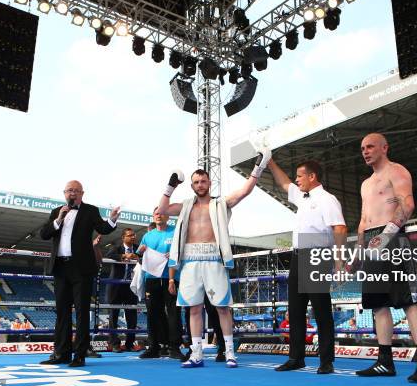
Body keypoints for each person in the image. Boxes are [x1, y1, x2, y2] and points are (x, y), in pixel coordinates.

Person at [157, 146, 271, 368]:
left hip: (213, 259)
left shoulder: (219, 203)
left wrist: (258, 167)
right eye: (196, 182)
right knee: (194, 308)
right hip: (190, 261)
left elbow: (244, 191)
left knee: (222, 307)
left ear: (209, 183)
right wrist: (170, 186)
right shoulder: (185, 206)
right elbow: (161, 209)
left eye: (203, 181)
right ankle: (196, 353)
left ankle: (229, 352)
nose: (200, 185)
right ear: (192, 185)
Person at [352, 133, 417, 383]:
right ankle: (384, 361)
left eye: (371, 146)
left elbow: (407, 205)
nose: (365, 151)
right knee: (378, 304)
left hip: (393, 238)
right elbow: (364, 221)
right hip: (372, 243)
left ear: (385, 148)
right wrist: (358, 251)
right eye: (363, 148)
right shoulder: (366, 184)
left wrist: (386, 236)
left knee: (409, 301)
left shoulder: (396, 171)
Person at [267, 158, 347, 374]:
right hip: (298, 256)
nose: (296, 179)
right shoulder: (302, 197)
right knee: (295, 310)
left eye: (300, 175)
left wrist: (339, 261)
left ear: (312, 177)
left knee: (321, 311)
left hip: (317, 256)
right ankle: (296, 358)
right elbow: (284, 184)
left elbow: (339, 228)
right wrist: (270, 161)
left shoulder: (327, 199)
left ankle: (326, 361)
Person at [39, 180, 120, 367]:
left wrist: (112, 219)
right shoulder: (56, 211)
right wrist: (58, 220)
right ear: (64, 193)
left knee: (82, 312)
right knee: (62, 312)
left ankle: (80, 355)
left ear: (82, 193)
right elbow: (44, 233)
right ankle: (61, 353)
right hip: (60, 267)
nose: (72, 194)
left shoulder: (90, 210)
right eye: (69, 191)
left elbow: (103, 228)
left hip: (81, 268)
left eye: (76, 191)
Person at [136, 208, 185, 361]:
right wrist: (140, 252)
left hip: (172, 278)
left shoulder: (175, 232)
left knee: (174, 313)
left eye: (162, 213)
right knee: (152, 313)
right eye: (156, 213)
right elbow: (138, 258)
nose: (158, 215)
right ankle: (154, 347)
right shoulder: (147, 236)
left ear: (168, 216)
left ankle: (175, 347)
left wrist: (176, 254)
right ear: (153, 217)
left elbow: (184, 250)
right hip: (151, 278)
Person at [106, 228, 140, 352]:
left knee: (132, 315)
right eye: (130, 235)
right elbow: (109, 255)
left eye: (134, 235)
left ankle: (130, 343)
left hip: (131, 286)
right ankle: (114, 344)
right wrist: (124, 256)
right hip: (116, 286)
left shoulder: (138, 247)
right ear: (123, 237)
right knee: (113, 315)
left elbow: (145, 256)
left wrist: (137, 256)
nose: (133, 237)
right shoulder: (117, 247)